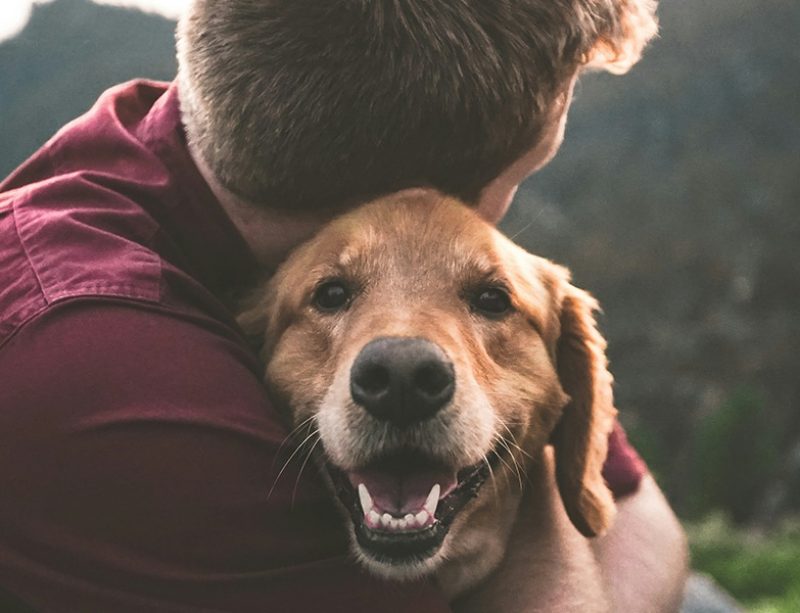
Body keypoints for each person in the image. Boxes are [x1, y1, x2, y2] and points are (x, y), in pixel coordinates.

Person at [0, 0, 687, 610]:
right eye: (523, 173)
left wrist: (527, 448)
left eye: (485, 296)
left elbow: (639, 516)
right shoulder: (101, 365)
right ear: (414, 190)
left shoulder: (220, 136)